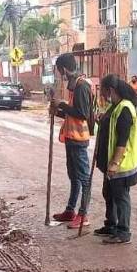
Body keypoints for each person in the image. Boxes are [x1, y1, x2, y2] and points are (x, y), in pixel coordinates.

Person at [95, 75, 137, 245]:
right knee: (109, 193)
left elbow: (122, 141)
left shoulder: (125, 109)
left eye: (104, 92)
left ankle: (123, 231)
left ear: (111, 90)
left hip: (122, 164)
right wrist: (101, 119)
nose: (104, 96)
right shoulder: (115, 106)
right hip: (112, 162)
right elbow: (109, 124)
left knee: (121, 197)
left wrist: (114, 163)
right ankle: (111, 225)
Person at [49, 53, 92, 230]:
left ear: (64, 69)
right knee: (73, 177)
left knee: (83, 178)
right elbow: (72, 114)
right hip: (71, 139)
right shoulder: (75, 86)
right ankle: (70, 210)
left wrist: (61, 104)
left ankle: (83, 214)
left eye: (60, 72)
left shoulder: (82, 86)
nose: (61, 76)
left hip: (79, 140)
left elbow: (82, 113)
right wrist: (57, 110)